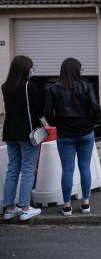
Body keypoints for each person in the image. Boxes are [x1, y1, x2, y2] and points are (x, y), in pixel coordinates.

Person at [44, 58, 101, 216]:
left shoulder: (53, 89)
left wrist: (56, 123)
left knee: (67, 169)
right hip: (85, 132)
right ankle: (85, 203)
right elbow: (96, 108)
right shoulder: (86, 86)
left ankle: (67, 206)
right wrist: (93, 122)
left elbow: (47, 111)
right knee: (85, 167)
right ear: (77, 71)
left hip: (65, 134)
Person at [2, 55, 43, 220]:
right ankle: (25, 207)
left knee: (12, 169)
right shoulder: (29, 86)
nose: (32, 70)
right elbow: (39, 109)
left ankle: (9, 208)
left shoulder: (5, 87)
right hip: (27, 133)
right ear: (26, 69)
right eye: (31, 67)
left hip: (10, 132)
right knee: (27, 169)